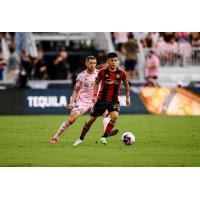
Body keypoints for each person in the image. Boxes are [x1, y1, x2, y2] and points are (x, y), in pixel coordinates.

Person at [50, 56, 118, 144]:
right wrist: (71, 103)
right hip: (83, 101)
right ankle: (56, 136)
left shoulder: (100, 73)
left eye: (94, 63)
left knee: (106, 114)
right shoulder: (81, 75)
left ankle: (107, 132)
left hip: (96, 101)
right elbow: (76, 90)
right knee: (71, 119)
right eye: (90, 63)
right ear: (86, 64)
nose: (92, 65)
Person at [73, 52, 130, 146]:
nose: (114, 62)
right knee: (90, 121)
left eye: (115, 60)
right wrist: (95, 95)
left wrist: (128, 97)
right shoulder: (102, 72)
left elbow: (127, 85)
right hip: (101, 101)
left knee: (115, 116)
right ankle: (81, 138)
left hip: (114, 100)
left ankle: (104, 137)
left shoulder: (122, 73)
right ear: (108, 61)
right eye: (112, 60)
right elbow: (96, 83)